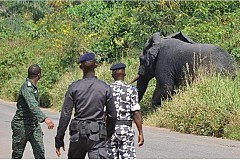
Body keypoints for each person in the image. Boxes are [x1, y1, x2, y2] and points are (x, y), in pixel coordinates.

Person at [55, 52, 117, 159]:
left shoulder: (74, 87)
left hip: (77, 136)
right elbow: (113, 115)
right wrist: (108, 134)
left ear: (81, 67)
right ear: (96, 65)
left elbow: (66, 115)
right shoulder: (105, 87)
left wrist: (59, 138)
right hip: (97, 137)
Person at [11, 64, 55, 159]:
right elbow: (32, 106)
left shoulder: (33, 87)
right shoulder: (27, 88)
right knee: (17, 154)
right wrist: (45, 119)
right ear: (39, 75)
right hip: (22, 125)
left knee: (40, 153)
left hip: (34, 125)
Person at [108, 62, 144, 159]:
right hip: (125, 130)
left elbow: (103, 113)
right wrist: (140, 132)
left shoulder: (107, 90)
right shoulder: (131, 90)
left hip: (110, 131)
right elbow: (136, 112)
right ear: (124, 74)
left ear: (112, 75)